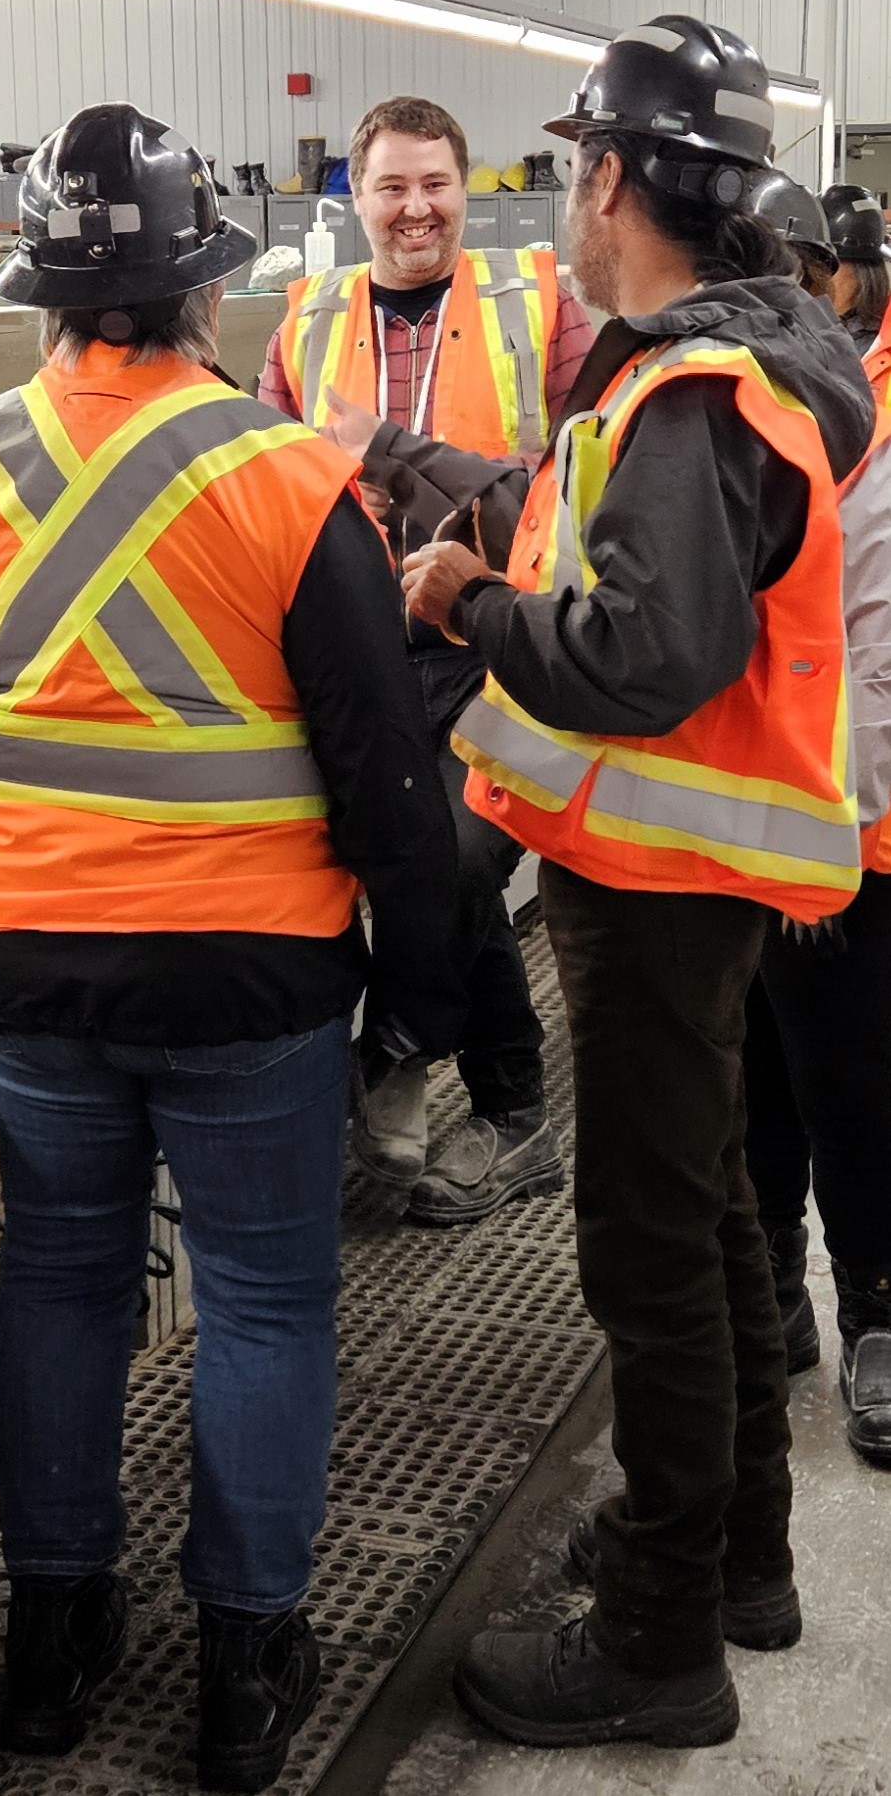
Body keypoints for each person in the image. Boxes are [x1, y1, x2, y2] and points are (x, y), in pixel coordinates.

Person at [0, 105, 461, 1793]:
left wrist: (42, 827)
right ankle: (239, 1670)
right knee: (260, 1294)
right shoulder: (284, 472)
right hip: (246, 975)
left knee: (56, 1279)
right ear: (206, 297)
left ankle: (51, 1641)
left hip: (19, 961)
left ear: (38, 300)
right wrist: (434, 989)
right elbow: (378, 767)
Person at [401, 16, 874, 1748]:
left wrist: (460, 606)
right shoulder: (731, 360)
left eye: (563, 169)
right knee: (717, 1219)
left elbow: (637, 652)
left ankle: (659, 1636)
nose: (557, 201)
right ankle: (734, 1550)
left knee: (648, 1252)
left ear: (610, 176)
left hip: (661, 882)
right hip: (697, 874)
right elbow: (603, 538)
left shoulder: (688, 390)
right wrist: (467, 500)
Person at [260, 95, 594, 1225]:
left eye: (435, 184)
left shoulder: (536, 305)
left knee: (453, 856)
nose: (416, 209)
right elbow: (258, 472)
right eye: (392, 187)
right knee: (413, 866)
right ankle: (510, 1105)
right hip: (354, 642)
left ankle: (399, 1042)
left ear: (467, 188)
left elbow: (584, 481)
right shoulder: (304, 317)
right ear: (354, 198)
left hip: (490, 637)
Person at [739, 168, 891, 1467]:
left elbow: (872, 669)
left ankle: (874, 1319)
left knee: (850, 1087)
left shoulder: (867, 431)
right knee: (750, 1090)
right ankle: (776, 1288)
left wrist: (825, 835)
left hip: (847, 838)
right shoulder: (719, 420)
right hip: (724, 829)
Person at [819, 183, 891, 356]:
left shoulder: (878, 343)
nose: (815, 279)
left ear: (864, 272)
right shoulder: (799, 329)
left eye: (827, 265)